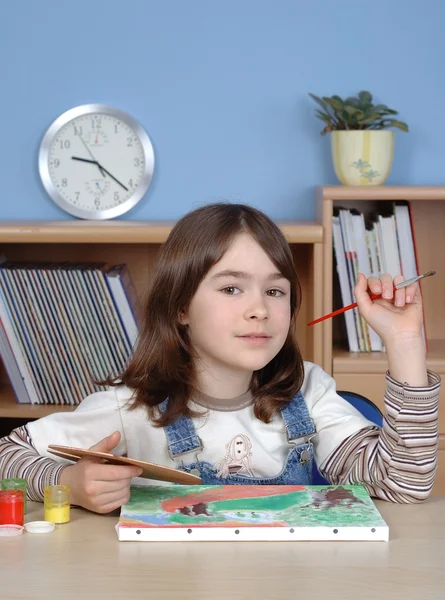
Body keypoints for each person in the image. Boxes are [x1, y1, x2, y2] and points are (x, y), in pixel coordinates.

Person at [0, 203, 440, 514]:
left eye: (275, 290)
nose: (259, 309)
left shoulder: (310, 391)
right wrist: (69, 484)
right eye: (231, 288)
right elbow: (9, 454)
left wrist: (403, 343)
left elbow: (404, 483)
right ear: (180, 308)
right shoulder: (131, 406)